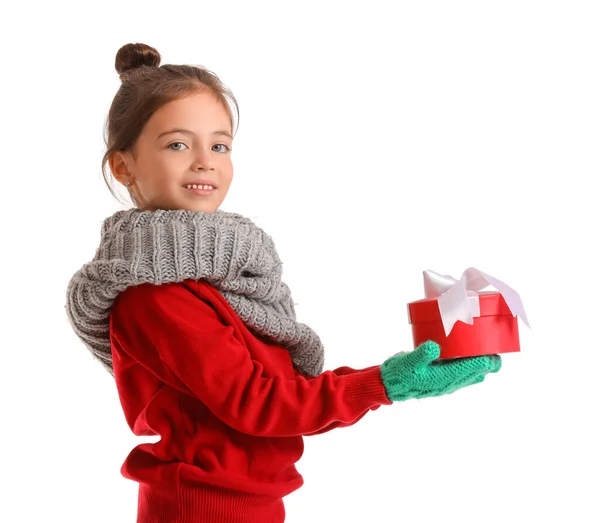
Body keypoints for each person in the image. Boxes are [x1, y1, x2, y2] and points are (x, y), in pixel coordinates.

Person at [65, 42, 502, 523]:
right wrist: (385, 383)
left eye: (219, 145)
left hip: (250, 504)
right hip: (202, 508)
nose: (205, 161)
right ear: (123, 166)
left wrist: (388, 385)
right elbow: (258, 403)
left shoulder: (228, 280)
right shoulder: (156, 295)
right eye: (176, 144)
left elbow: (284, 397)